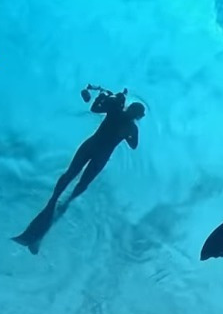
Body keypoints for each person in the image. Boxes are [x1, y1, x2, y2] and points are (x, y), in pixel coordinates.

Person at [12, 87, 146, 254]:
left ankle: (49, 219)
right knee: (70, 176)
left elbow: (133, 145)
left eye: (135, 113)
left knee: (78, 186)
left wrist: (125, 129)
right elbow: (95, 108)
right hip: (94, 149)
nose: (132, 114)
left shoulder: (127, 122)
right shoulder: (117, 111)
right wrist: (104, 97)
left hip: (98, 154)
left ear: (136, 115)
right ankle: (52, 205)